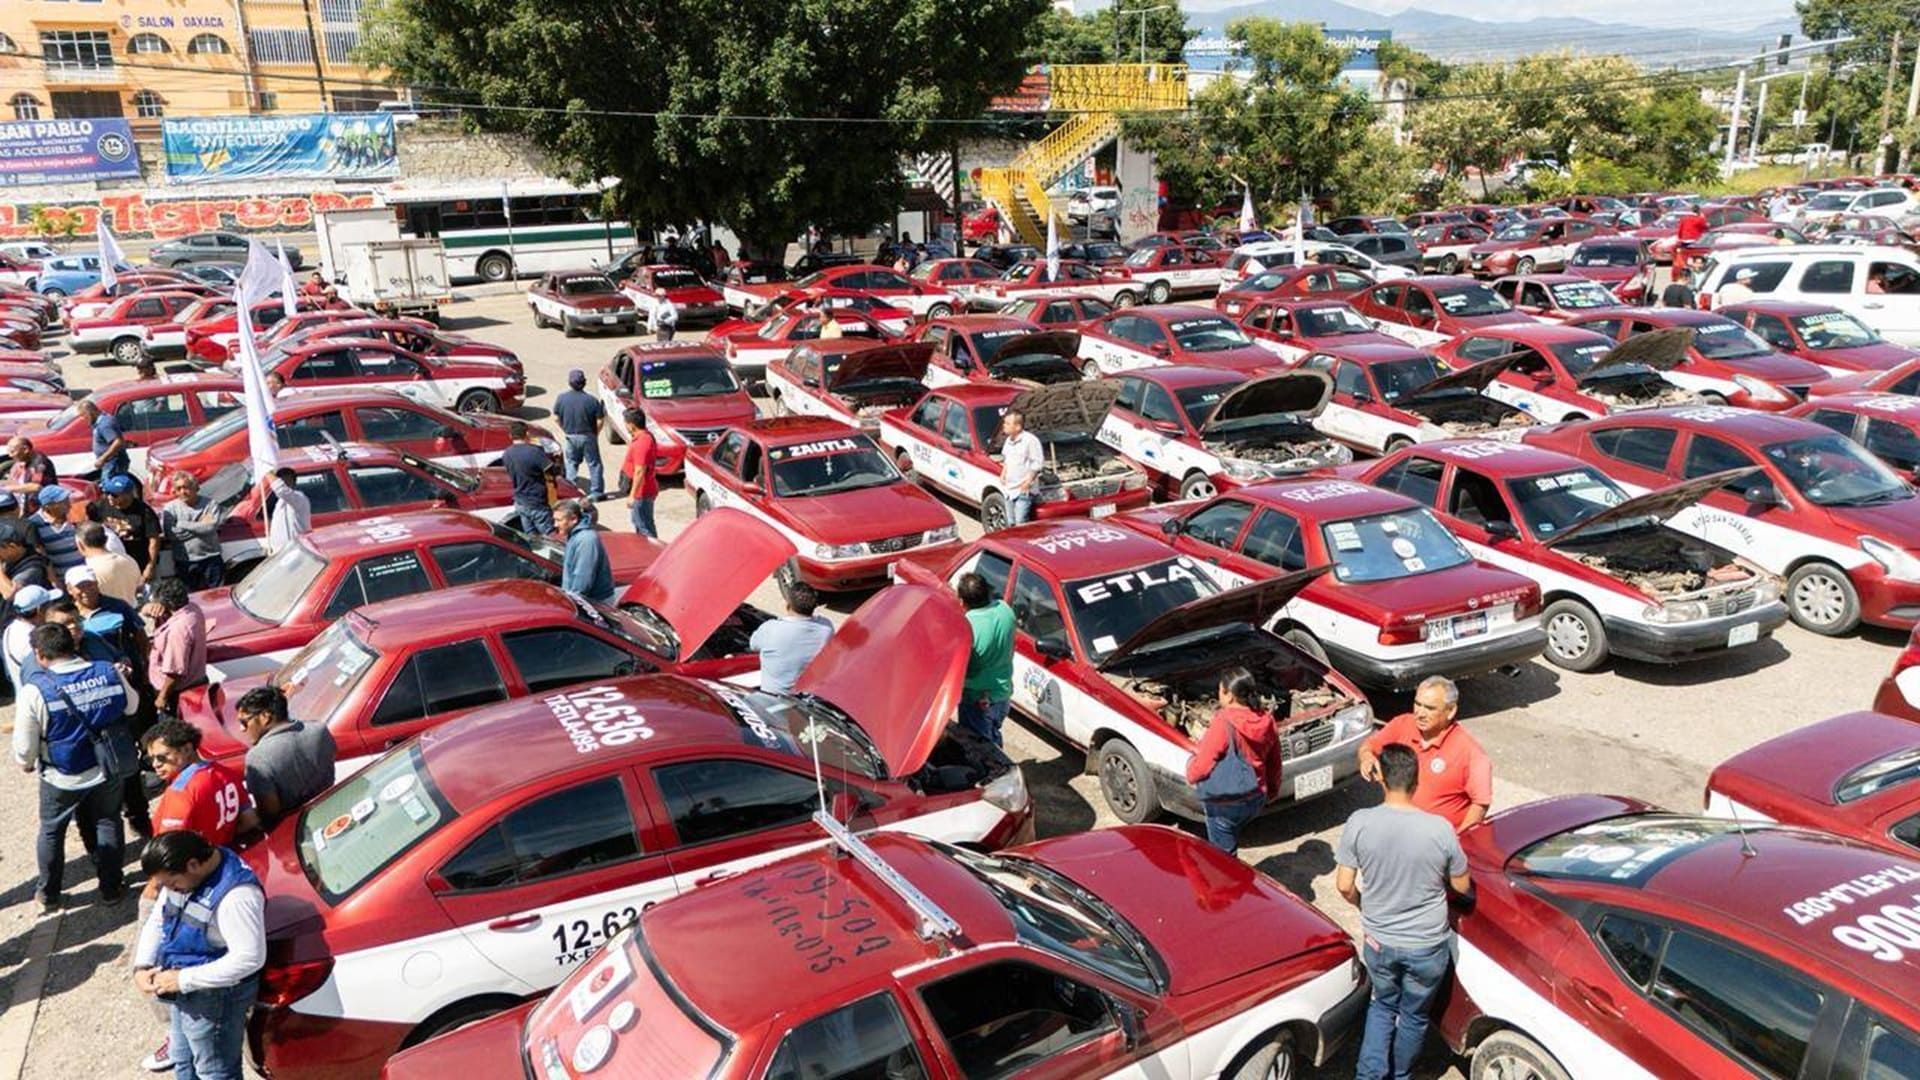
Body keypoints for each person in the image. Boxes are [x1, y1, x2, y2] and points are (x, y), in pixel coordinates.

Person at [1336, 743, 1472, 1080]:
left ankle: (1369, 1076)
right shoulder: (1440, 829)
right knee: (1413, 1016)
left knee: (1382, 1007)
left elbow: (1343, 885)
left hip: (1381, 940)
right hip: (1427, 946)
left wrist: (1362, 903)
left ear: (1380, 776)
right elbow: (1462, 886)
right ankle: (1401, 1075)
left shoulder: (1360, 822)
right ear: (1417, 781)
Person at [135, 719, 257, 1073]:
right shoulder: (224, 772)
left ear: (187, 748)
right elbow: (248, 821)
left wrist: (154, 892)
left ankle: (171, 1040)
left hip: (194, 890)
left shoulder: (180, 794)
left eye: (162, 757)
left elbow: (165, 854)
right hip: (214, 867)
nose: (156, 766)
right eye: (151, 760)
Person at [14, 622, 136, 911]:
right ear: (74, 646)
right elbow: (131, 707)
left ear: (39, 654)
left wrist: (26, 763)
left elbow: (24, 747)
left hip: (61, 776)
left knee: (52, 831)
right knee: (108, 821)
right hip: (107, 766)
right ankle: (111, 888)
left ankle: (49, 894)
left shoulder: (36, 690)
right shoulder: (108, 671)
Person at [133, 830, 266, 1080]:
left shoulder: (236, 897)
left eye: (172, 884)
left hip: (217, 1000)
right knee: (184, 1062)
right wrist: (142, 965)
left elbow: (250, 958)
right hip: (186, 989)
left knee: (214, 1072)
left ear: (193, 865)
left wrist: (182, 980)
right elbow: (160, 916)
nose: (170, 890)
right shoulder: (184, 876)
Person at [1357, 675, 1492, 833]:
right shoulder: (1403, 724)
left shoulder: (1471, 753)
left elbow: (1480, 804)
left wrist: (1458, 841)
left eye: (1429, 708)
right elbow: (1369, 745)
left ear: (1451, 711)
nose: (1420, 713)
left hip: (1436, 844)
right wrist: (1367, 757)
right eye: (1417, 704)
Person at [1185, 666, 1284, 856]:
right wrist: (1272, 791)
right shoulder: (1267, 719)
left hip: (1227, 803)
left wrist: (1190, 774)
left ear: (1229, 695)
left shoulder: (1224, 721)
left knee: (1224, 860)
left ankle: (1235, 883)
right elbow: (1274, 760)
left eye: (1220, 690)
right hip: (1256, 796)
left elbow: (1204, 763)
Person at [235, 686, 335, 829]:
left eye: (244, 722)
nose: (242, 729)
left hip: (297, 831)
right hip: (333, 808)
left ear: (265, 717)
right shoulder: (319, 730)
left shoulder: (257, 758)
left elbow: (270, 813)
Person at [957, 571, 1014, 747]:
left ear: (962, 600)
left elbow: (971, 670)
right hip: (1002, 693)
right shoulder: (1005, 610)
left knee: (980, 749)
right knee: (994, 737)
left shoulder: (968, 626)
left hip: (978, 700)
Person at [749, 582, 833, 694]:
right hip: (809, 698)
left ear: (788, 605)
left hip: (773, 699)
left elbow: (753, 645)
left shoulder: (770, 628)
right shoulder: (826, 627)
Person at [145, 578, 206, 724]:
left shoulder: (178, 631)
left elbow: (175, 670)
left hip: (177, 694)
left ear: (167, 604)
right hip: (195, 683)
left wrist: (162, 697)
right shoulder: (193, 609)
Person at [96, 473, 164, 584]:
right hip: (114, 565)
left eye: (114, 495)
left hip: (139, 564)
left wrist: (150, 566)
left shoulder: (144, 512)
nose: (109, 497)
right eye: (107, 493)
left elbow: (154, 540)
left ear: (128, 495)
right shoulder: (103, 506)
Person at [161, 473, 225, 590]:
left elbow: (210, 528)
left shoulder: (210, 504)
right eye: (178, 489)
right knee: (189, 599)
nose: (183, 492)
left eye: (186, 487)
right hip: (185, 561)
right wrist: (200, 525)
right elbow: (171, 534)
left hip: (211, 559)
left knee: (216, 595)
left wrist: (180, 524)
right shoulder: (170, 508)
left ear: (196, 488)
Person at [553, 369, 606, 500]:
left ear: (570, 383)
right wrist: (595, 433)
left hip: (570, 436)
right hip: (588, 436)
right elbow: (600, 420)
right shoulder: (592, 400)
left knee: (571, 463)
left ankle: (571, 490)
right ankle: (596, 492)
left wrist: (565, 429)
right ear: (584, 383)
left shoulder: (562, 398)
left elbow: (555, 417)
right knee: (594, 464)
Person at [501, 421, 558, 536]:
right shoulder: (534, 452)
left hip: (520, 502)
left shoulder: (506, 454)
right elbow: (553, 471)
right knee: (551, 536)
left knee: (531, 537)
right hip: (537, 502)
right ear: (527, 433)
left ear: (510, 436)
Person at [555, 498, 615, 604]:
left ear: (573, 519)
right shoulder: (575, 535)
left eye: (559, 520)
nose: (555, 524)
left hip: (595, 603)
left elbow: (583, 578)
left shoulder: (586, 540)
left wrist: (572, 602)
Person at [4, 583, 60, 690]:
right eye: (49, 604)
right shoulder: (34, 639)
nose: (53, 607)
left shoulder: (11, 629)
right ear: (39, 610)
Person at [615, 406, 659, 537]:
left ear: (631, 425)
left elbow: (639, 471)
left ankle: (652, 555)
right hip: (642, 491)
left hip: (642, 493)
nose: (625, 426)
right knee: (641, 525)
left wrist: (632, 495)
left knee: (644, 527)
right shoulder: (643, 437)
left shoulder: (642, 443)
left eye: (626, 423)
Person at [997, 409, 1044, 528]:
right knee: (1011, 523)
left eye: (1007, 423)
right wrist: (1003, 474)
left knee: (1020, 524)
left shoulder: (1030, 440)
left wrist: (1028, 483)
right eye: (1004, 423)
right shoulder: (1008, 441)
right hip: (1009, 490)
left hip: (1023, 491)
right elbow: (1007, 460)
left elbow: (1037, 463)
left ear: (1017, 426)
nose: (1004, 426)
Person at [79, 522, 141, 605]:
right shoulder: (129, 560)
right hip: (132, 612)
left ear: (80, 544)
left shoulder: (89, 570)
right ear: (106, 539)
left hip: (107, 615)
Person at [32, 484, 83, 574]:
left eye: (67, 500)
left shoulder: (75, 516)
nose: (69, 505)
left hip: (85, 573)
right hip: (62, 579)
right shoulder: (34, 524)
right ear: (48, 506)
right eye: (63, 502)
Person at [261, 467, 310, 557]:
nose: (283, 482)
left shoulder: (299, 498)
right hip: (282, 553)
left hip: (295, 552)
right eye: (280, 479)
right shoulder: (280, 501)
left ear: (293, 481)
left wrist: (266, 471)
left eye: (285, 479)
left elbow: (281, 490)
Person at [81, 398, 131, 483]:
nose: (83, 419)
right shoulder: (99, 422)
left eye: (83, 415)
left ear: (90, 413)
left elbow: (117, 442)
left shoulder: (105, 424)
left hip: (113, 464)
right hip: (109, 464)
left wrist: (102, 459)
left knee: (113, 490)